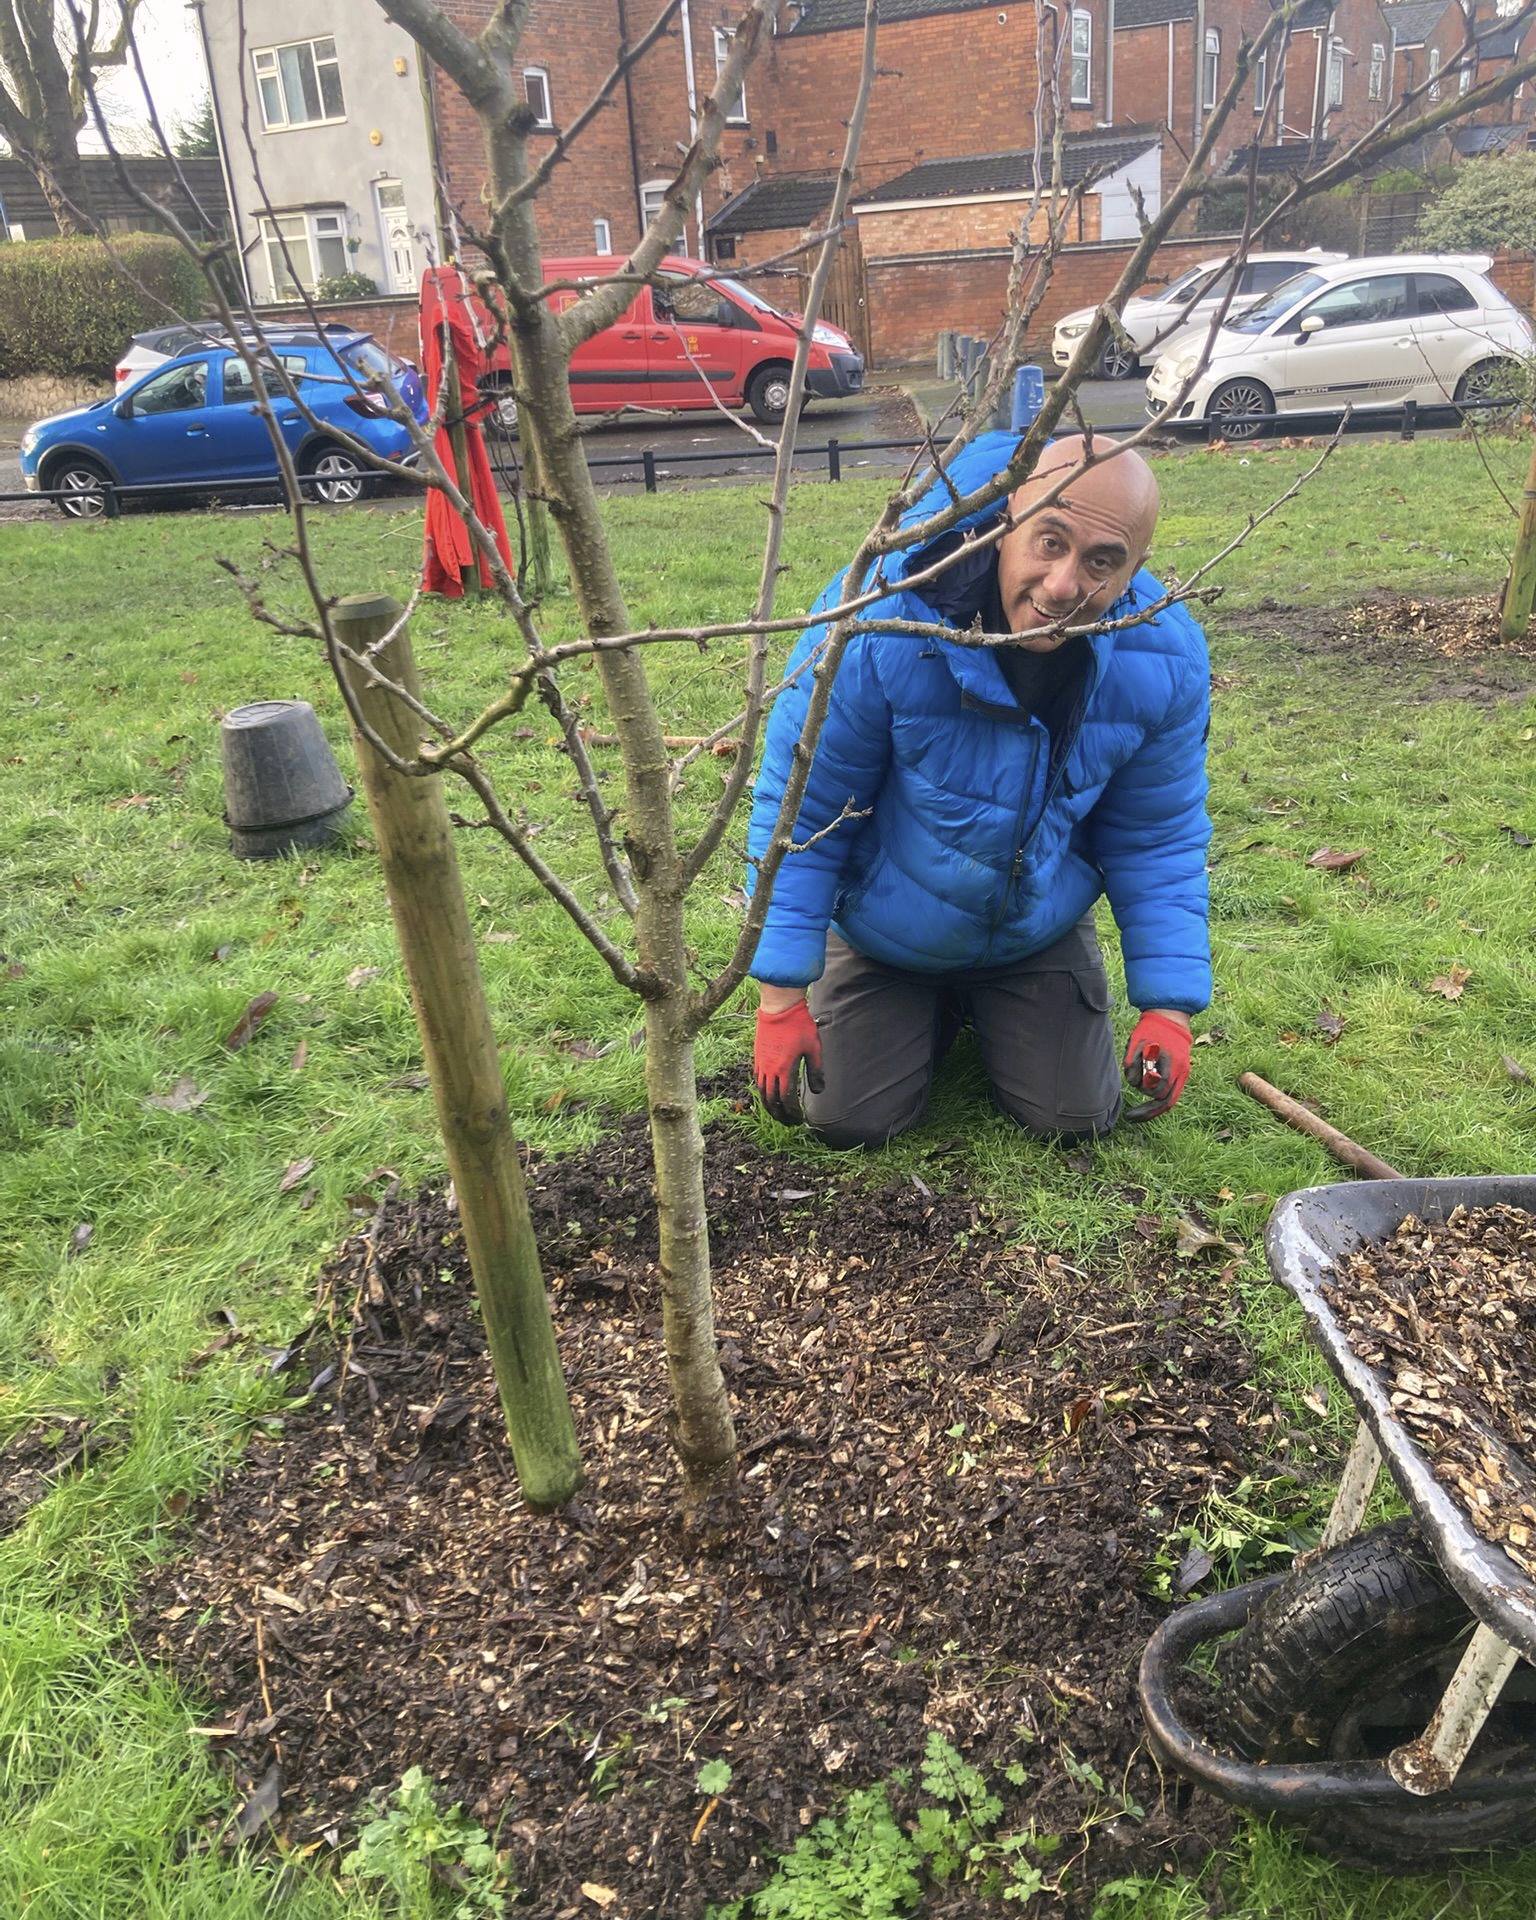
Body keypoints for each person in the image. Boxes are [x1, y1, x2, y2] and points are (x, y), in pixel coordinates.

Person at [745, 428, 1210, 1147]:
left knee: (1076, 1116)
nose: (1062, 587)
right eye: (1049, 541)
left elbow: (1157, 832)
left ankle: (985, 1004)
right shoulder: (879, 621)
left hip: (1032, 925)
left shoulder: (1164, 656)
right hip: (887, 928)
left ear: (1134, 570)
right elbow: (803, 810)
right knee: (847, 1120)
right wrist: (780, 996)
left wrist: (1169, 1007)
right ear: (1005, 524)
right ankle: (918, 1005)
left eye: (1101, 563)